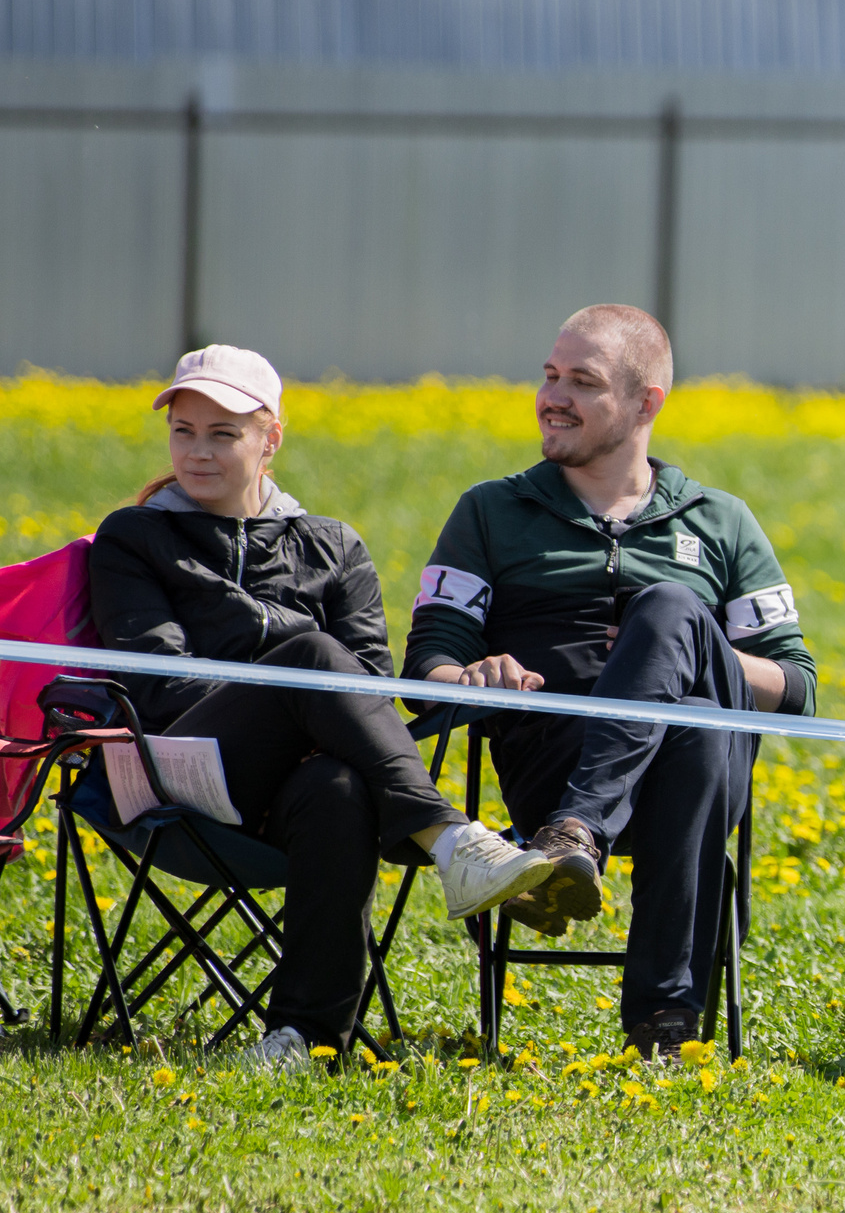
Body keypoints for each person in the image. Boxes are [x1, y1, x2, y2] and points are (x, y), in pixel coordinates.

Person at [88, 346, 567, 1068]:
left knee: (339, 787)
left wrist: (306, 711)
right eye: (184, 431)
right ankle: (450, 841)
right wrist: (285, 684)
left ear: (270, 439)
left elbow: (369, 687)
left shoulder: (333, 547)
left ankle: (301, 1040)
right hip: (176, 767)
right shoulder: (134, 536)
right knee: (310, 655)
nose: (198, 452)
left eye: (223, 434)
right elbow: (159, 684)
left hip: (291, 789)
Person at [401, 305, 816, 1057]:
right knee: (688, 711)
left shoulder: (720, 522)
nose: (552, 396)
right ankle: (663, 1020)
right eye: (550, 375)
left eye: (582, 382)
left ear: (646, 401)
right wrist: (472, 673)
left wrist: (686, 641)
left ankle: (576, 839)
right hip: (548, 762)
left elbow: (796, 685)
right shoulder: (493, 512)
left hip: (685, 781)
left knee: (675, 623)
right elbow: (426, 664)